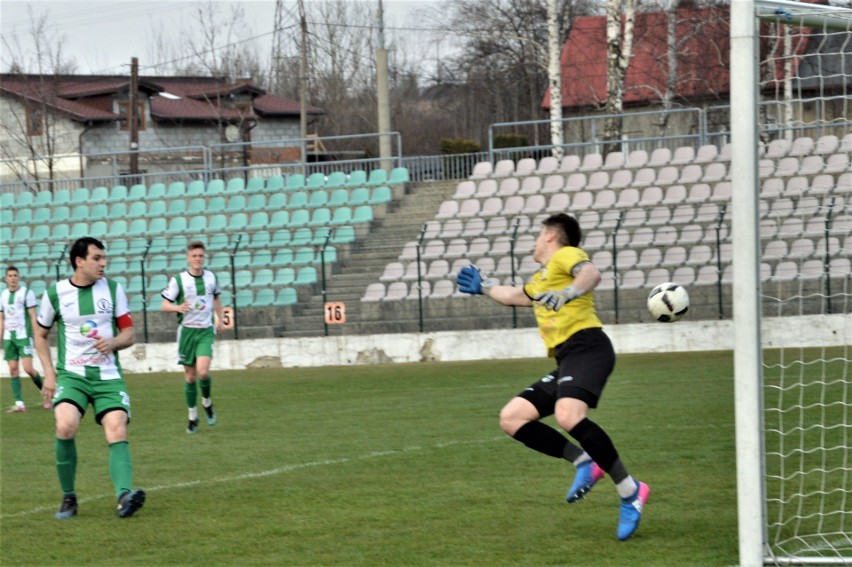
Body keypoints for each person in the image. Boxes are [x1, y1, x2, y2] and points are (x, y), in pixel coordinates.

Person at [456, 213, 649, 541]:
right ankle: (585, 462)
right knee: (512, 418)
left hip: (589, 347)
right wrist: (484, 285)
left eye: (538, 233)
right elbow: (517, 295)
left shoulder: (566, 255)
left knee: (567, 415)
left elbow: (591, 273)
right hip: (568, 358)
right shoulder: (542, 277)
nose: (534, 240)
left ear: (549, 234)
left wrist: (570, 292)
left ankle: (631, 491)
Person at [34, 237, 145, 519]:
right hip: (73, 376)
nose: (103, 263)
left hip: (108, 377)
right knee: (65, 426)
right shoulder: (55, 293)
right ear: (79, 261)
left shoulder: (114, 289)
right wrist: (49, 373)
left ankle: (124, 497)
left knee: (117, 428)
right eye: (96, 258)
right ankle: (69, 497)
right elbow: (40, 335)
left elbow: (130, 334)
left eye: (103, 258)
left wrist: (113, 342)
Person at [161, 240, 224, 434]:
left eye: (201, 256)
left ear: (204, 258)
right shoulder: (178, 280)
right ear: (188, 258)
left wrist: (220, 319)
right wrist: (177, 307)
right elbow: (164, 305)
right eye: (194, 256)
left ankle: (207, 403)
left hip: (205, 330)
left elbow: (216, 299)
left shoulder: (212, 277)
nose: (198, 259)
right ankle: (192, 416)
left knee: (203, 372)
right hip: (187, 331)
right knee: (190, 377)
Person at [1, 266, 49, 412]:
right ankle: (19, 404)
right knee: (13, 370)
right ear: (6, 279)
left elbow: (33, 315)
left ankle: (48, 394)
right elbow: (1, 318)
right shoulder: (2, 295)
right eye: (10, 276)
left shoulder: (27, 293)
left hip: (23, 336)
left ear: (19, 277)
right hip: (9, 337)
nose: (13, 278)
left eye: (15, 275)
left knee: (28, 368)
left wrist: (37, 334)